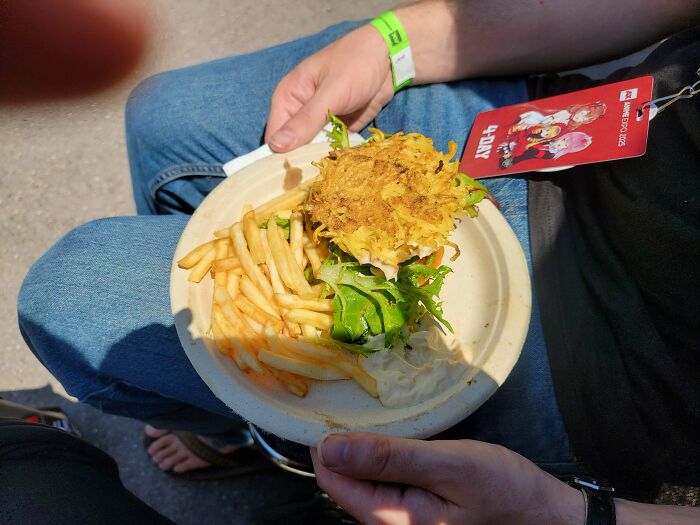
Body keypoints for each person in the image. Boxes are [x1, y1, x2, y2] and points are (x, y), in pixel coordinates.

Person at [17, 0, 700, 523]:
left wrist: (568, 515)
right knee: (162, 113)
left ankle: (253, 429)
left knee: (70, 297)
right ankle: (239, 426)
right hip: (577, 123)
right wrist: (394, 43)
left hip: (613, 359)